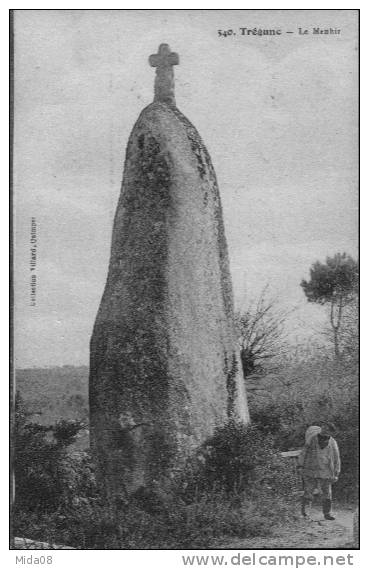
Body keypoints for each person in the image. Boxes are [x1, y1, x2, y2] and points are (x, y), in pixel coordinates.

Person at [298, 422, 341, 520]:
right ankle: (305, 514)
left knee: (327, 492)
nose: (324, 429)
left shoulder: (333, 442)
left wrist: (336, 472)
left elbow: (337, 458)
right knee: (308, 490)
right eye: (323, 427)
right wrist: (300, 465)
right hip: (311, 469)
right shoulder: (312, 439)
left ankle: (327, 513)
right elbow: (304, 452)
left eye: (327, 429)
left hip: (326, 470)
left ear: (331, 432)